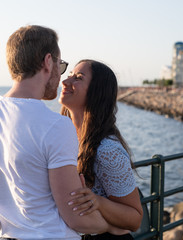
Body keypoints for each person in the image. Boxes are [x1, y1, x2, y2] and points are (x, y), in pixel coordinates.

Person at [0, 26, 111, 240]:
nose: (60, 77)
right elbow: (77, 219)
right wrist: (110, 225)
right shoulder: (56, 126)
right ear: (47, 61)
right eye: (60, 66)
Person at [59, 59, 144, 240]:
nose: (65, 82)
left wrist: (97, 201)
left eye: (78, 78)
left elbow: (135, 218)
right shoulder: (64, 137)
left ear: (97, 92)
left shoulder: (107, 150)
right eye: (70, 75)